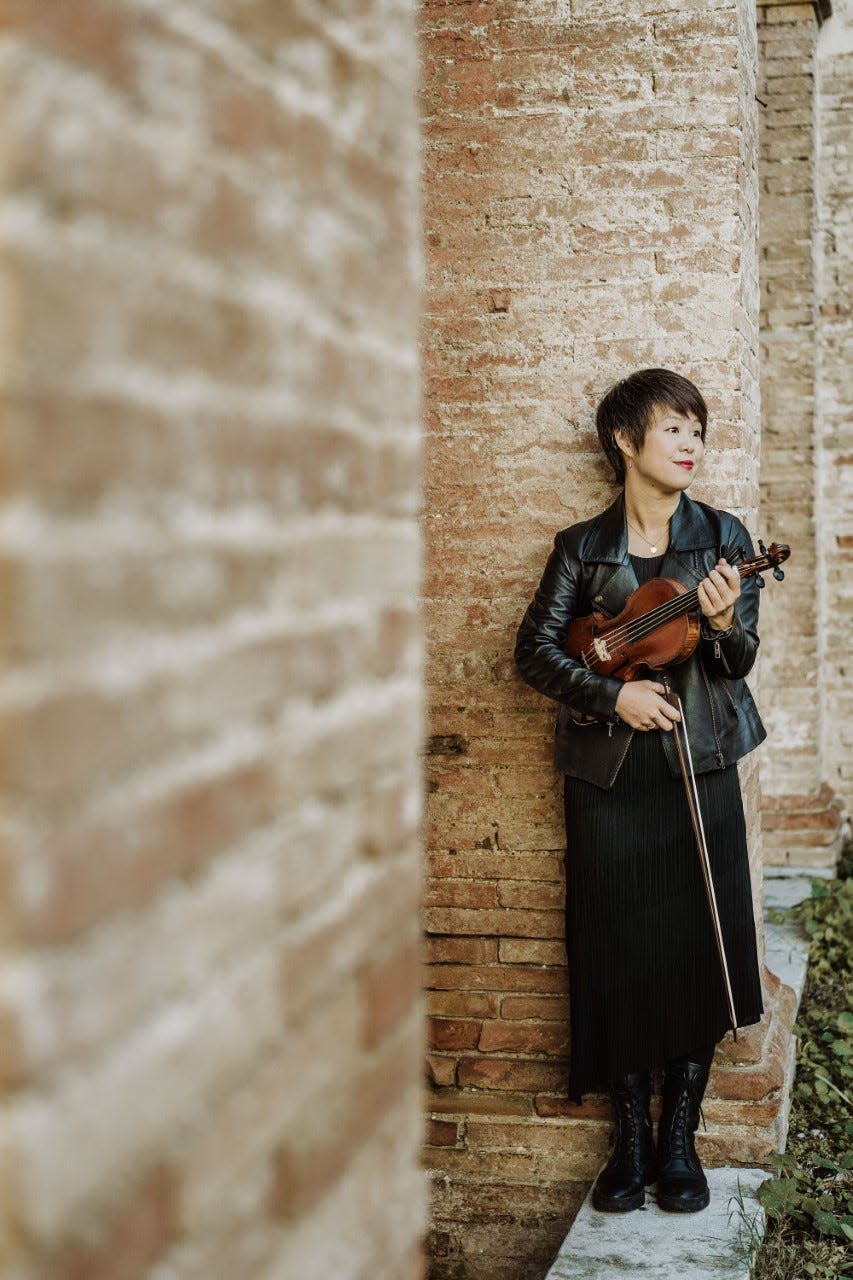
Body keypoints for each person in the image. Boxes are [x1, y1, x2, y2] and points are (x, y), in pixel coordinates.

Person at [514, 368, 767, 1215]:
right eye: (673, 428)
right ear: (624, 441)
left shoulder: (724, 538)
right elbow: (534, 654)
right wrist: (608, 692)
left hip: (697, 768)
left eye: (697, 428)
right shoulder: (580, 549)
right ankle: (625, 1141)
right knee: (617, 951)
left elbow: (735, 664)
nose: (691, 443)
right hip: (608, 777)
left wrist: (727, 624)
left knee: (697, 948)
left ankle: (679, 1140)